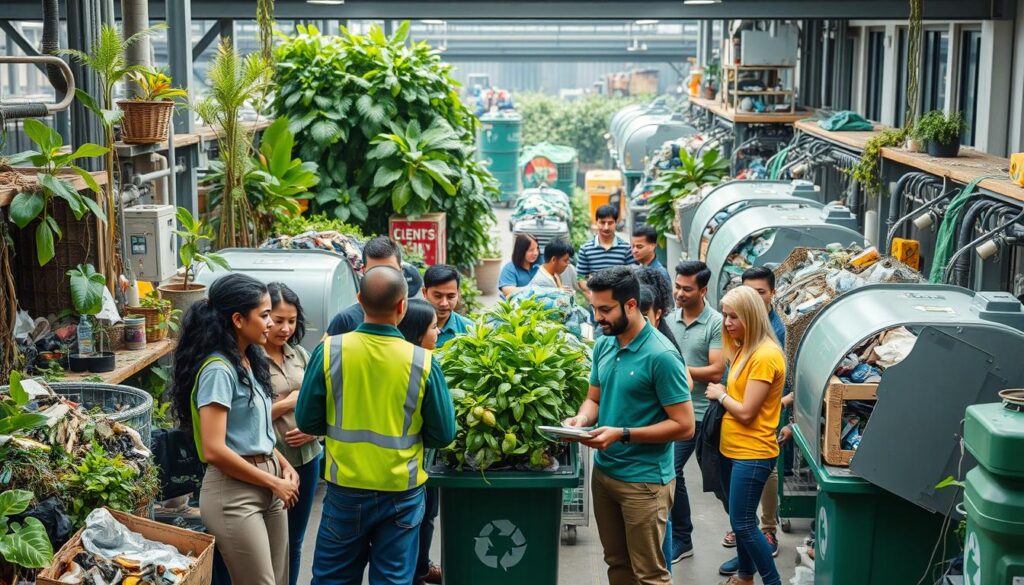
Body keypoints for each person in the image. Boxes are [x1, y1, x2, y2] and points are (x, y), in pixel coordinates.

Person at [297, 266, 456, 585]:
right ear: (403, 306)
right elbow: (443, 434)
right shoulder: (423, 362)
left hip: (345, 489)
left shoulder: (329, 352)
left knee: (333, 578)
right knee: (393, 579)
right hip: (402, 493)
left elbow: (307, 421)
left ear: (359, 299)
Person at [564, 266, 695, 585]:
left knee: (649, 573)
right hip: (606, 474)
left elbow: (685, 425)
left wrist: (623, 434)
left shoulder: (661, 356)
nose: (597, 317)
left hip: (644, 483)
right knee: (617, 564)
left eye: (605, 309)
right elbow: (593, 399)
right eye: (594, 308)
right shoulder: (604, 344)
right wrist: (581, 419)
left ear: (632, 305)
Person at [171, 273, 299, 585]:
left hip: (268, 481)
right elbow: (214, 449)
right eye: (265, 315)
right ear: (239, 319)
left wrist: (282, 466)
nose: (271, 323)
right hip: (234, 493)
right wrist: (272, 480)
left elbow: (253, 430)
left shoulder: (248, 358)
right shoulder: (218, 369)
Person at [705, 286, 786, 585]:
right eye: (725, 315)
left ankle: (772, 580)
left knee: (743, 523)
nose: (727, 323)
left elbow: (748, 411)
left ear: (751, 316)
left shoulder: (764, 355)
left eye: (733, 317)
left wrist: (721, 393)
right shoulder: (743, 347)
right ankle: (744, 576)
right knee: (742, 522)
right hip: (733, 449)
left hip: (752, 453)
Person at [665, 260, 726, 563]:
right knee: (673, 472)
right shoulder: (670, 318)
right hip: (677, 413)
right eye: (677, 286)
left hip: (704, 414)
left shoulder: (716, 322)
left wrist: (678, 370)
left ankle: (747, 531)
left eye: (686, 289)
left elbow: (716, 371)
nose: (678, 293)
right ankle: (682, 537)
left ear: (703, 290)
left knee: (717, 479)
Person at [264, 283, 322, 585]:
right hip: (267, 464)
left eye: (292, 320)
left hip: (308, 459)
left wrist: (315, 432)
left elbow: (326, 402)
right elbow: (243, 416)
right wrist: (289, 402)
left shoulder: (300, 354)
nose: (285, 328)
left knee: (294, 540)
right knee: (269, 543)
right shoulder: (249, 359)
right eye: (277, 319)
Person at [395, 299, 443, 585]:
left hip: (415, 468)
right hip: (411, 471)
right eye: (434, 327)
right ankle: (416, 574)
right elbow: (443, 431)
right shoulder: (422, 366)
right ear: (417, 331)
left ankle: (421, 570)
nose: (438, 332)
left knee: (426, 520)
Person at [326, 236, 421, 336]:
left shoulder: (420, 318)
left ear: (401, 270)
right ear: (363, 271)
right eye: (374, 271)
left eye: (390, 270)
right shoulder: (346, 320)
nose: (383, 277)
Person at [577, 205, 636, 303]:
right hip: (596, 302)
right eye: (602, 222)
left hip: (620, 302)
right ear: (596, 222)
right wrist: (595, 300)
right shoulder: (585, 249)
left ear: (616, 223)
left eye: (610, 223)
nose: (606, 227)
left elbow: (631, 277)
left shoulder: (626, 248)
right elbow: (580, 278)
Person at [422, 264, 473, 348]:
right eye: (438, 296)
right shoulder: (410, 327)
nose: (444, 303)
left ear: (458, 293)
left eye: (450, 296)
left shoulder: (469, 329)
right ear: (424, 292)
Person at [498, 234, 540, 298]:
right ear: (521, 251)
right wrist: (535, 290)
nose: (535, 253)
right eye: (531, 250)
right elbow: (508, 290)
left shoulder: (540, 263)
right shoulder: (509, 269)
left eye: (537, 249)